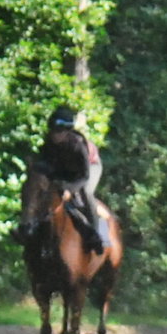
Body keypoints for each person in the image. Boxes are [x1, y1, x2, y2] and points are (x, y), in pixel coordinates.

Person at [26, 107, 107, 254]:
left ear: (67, 132)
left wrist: (69, 188)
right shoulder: (49, 143)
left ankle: (95, 235)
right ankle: (29, 225)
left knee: (86, 192)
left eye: (58, 132)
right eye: (52, 131)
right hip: (65, 172)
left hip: (89, 168)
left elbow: (84, 177)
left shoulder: (77, 145)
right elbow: (43, 165)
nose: (54, 136)